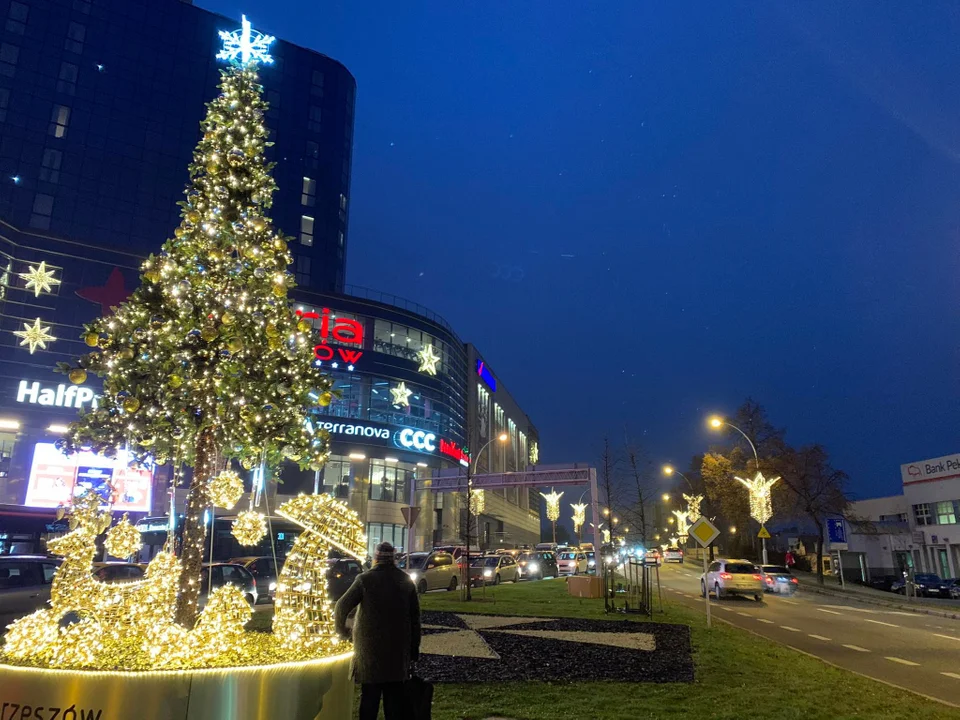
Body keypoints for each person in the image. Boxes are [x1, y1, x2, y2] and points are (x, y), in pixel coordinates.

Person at [335, 541, 421, 720]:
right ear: (394, 559)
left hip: (369, 653)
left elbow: (341, 607)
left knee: (369, 701)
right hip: (397, 654)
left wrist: (344, 632)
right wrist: (413, 652)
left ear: (375, 558)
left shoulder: (365, 580)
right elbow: (415, 621)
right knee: (394, 704)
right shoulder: (405, 581)